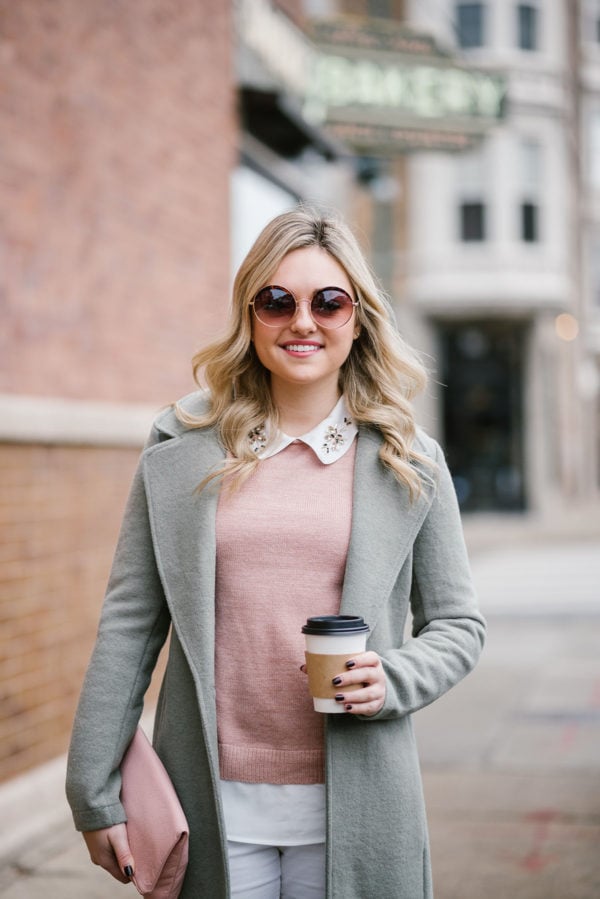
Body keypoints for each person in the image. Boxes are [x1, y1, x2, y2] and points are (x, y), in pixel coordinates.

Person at [66, 206, 486, 899]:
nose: (302, 322)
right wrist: (93, 788)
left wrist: (394, 678)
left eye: (328, 301)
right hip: (210, 803)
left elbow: (459, 625)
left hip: (358, 799)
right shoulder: (181, 445)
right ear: (250, 313)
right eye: (276, 301)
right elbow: (130, 622)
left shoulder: (411, 460)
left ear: (358, 317)